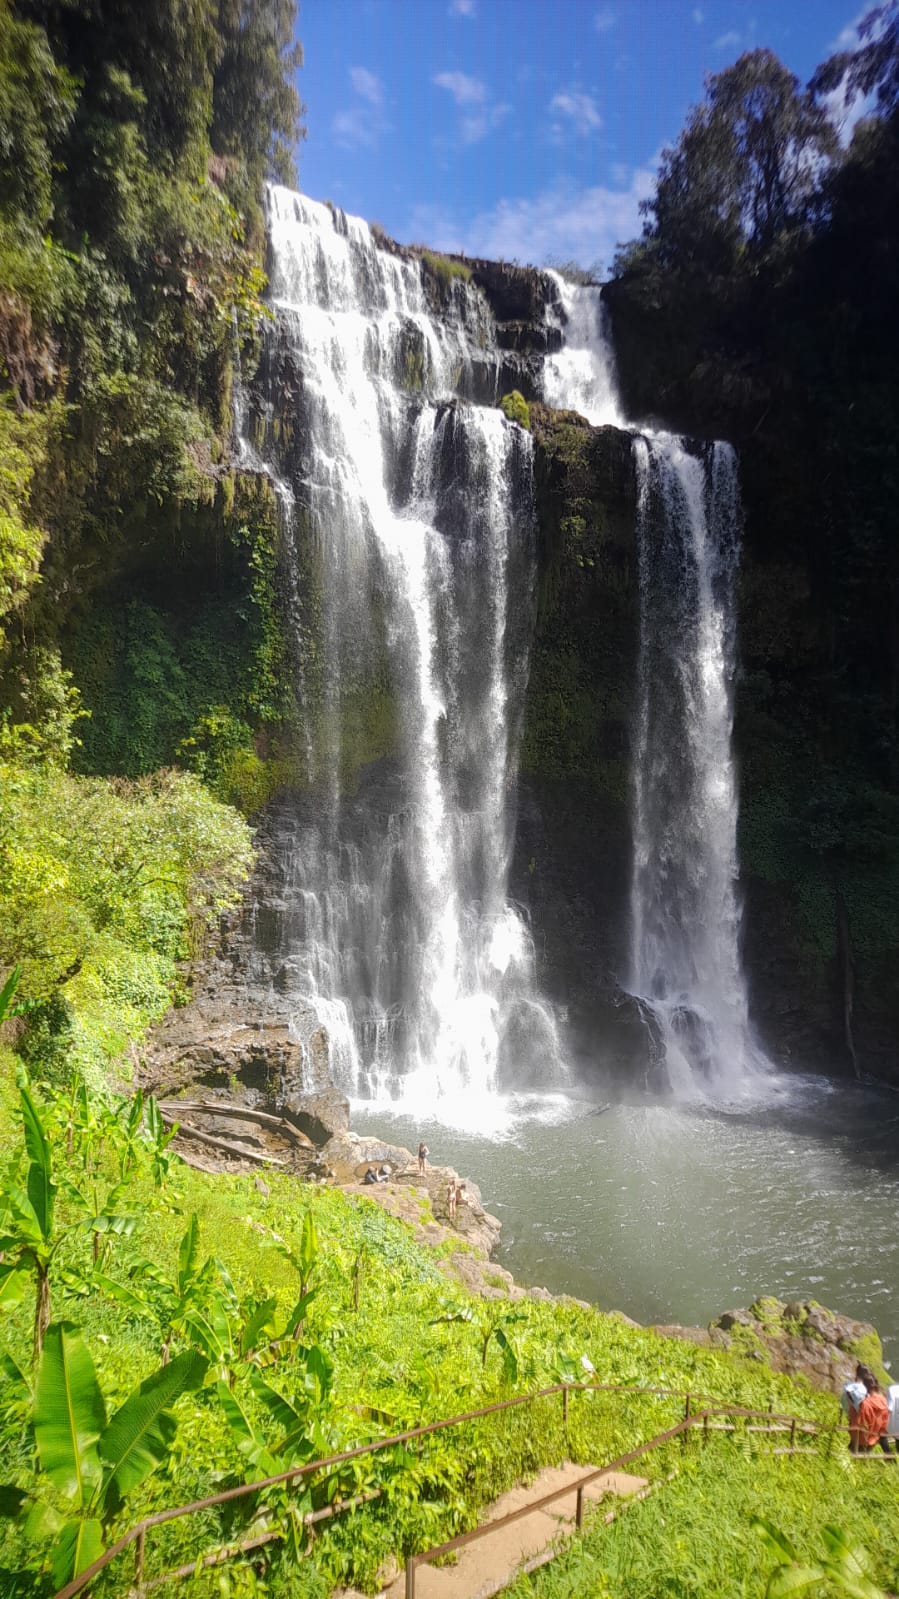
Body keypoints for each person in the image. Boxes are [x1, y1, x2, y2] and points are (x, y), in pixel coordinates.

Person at [849, 1372, 891, 1455]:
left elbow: (858, 1424)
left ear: (865, 1387)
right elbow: (885, 1423)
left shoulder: (865, 1404)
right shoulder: (884, 1400)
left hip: (860, 1441)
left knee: (850, 1454)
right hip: (873, 1439)